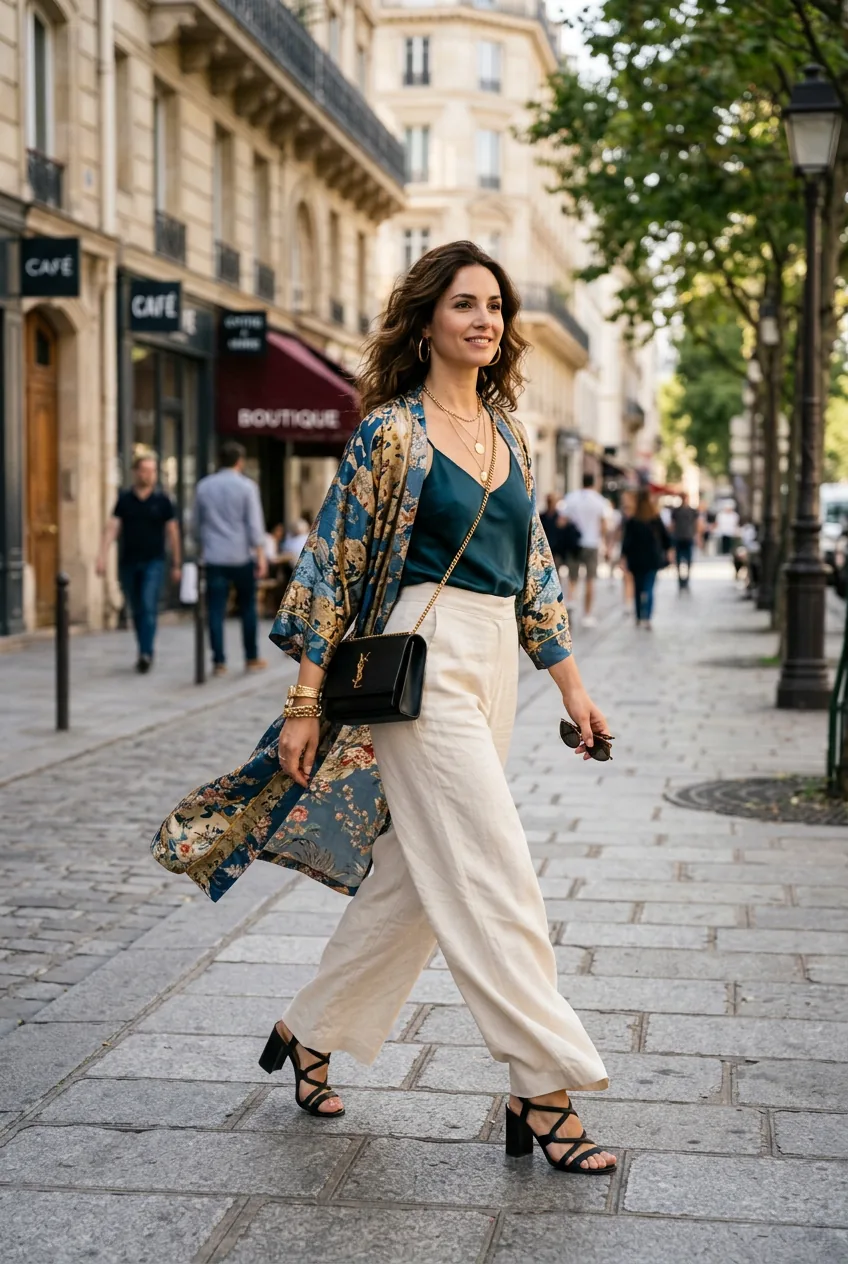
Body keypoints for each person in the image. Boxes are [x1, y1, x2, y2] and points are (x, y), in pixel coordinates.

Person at [156, 240, 616, 1175]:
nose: (484, 320)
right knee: (493, 869)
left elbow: (533, 567)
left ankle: (311, 1031)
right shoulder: (390, 433)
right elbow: (333, 565)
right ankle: (543, 1084)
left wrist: (572, 687)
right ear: (427, 321)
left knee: (414, 881)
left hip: (493, 660)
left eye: (495, 306)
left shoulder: (509, 433)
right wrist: (305, 701)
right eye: (464, 304)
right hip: (419, 658)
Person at [96, 453, 181, 673]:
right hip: (129, 562)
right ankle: (143, 648)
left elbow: (173, 532)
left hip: (154, 561)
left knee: (148, 604)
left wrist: (177, 563)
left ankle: (146, 652)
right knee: (136, 608)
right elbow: (112, 528)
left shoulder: (163, 501)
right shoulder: (125, 500)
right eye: (144, 470)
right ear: (135, 472)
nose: (149, 475)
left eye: (152, 471)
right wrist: (102, 555)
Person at [194, 441, 268, 677]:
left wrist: (201, 547)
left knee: (215, 609)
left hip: (214, 555)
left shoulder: (204, 487)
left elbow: (196, 524)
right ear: (240, 461)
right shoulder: (247, 487)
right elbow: (254, 525)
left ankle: (219, 661)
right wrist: (261, 555)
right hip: (241, 556)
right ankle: (251, 656)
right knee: (247, 607)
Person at [556, 473, 612, 628]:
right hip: (592, 543)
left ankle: (571, 600)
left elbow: (561, 521)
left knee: (572, 577)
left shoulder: (571, 498)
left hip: (574, 544)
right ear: (594, 482)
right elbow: (604, 526)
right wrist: (605, 543)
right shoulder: (600, 501)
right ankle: (587, 614)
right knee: (590, 579)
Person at [621, 489, 671, 629]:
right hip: (652, 558)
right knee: (649, 587)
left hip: (636, 559)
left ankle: (638, 616)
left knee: (638, 588)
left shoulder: (633, 520)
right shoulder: (655, 519)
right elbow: (666, 538)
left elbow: (626, 542)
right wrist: (668, 551)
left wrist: (623, 557)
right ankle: (647, 617)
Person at [670, 492, 700, 590]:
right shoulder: (676, 511)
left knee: (688, 560)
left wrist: (697, 536)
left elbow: (696, 523)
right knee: (679, 560)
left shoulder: (692, 511)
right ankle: (681, 579)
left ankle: (686, 579)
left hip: (688, 537)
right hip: (679, 537)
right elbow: (673, 524)